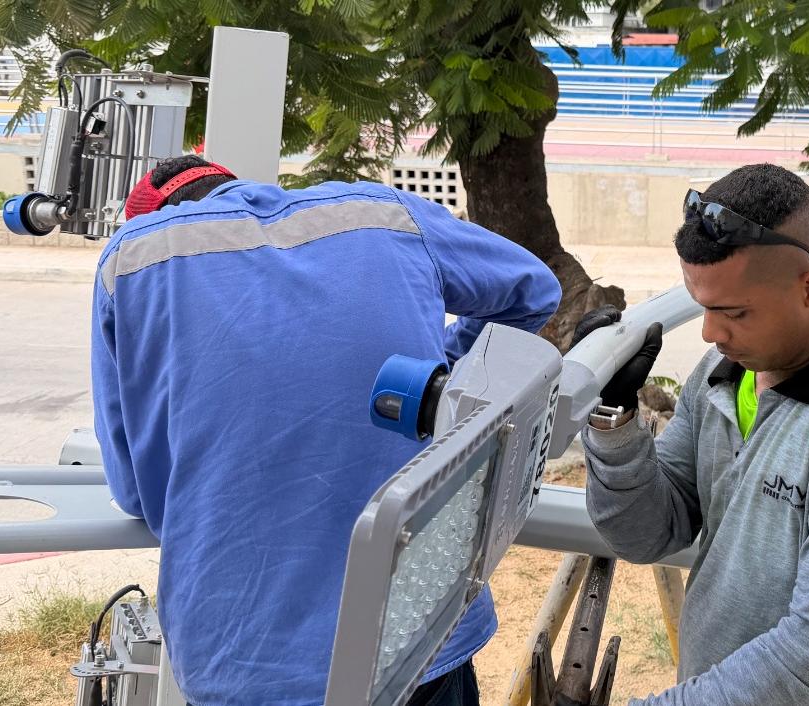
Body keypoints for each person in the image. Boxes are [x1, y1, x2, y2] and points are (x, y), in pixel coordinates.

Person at [91, 155, 561, 706]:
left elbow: (133, 490)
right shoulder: (380, 212)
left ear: (148, 217)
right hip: (420, 631)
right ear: (236, 184)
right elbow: (532, 292)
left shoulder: (132, 259)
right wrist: (441, 390)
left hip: (245, 658)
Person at [576, 163, 809, 705]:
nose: (710, 332)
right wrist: (614, 418)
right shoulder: (722, 373)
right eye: (702, 306)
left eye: (735, 312)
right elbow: (648, 534)